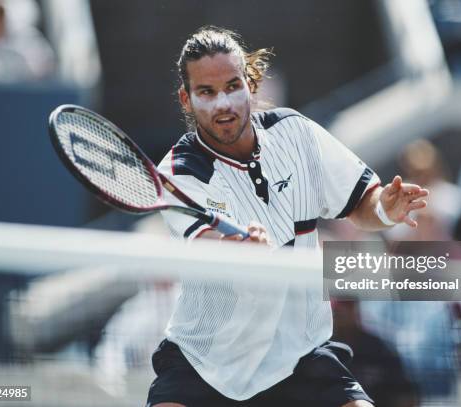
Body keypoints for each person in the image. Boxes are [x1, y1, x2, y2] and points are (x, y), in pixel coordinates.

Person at [147, 26, 429, 407]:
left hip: (300, 355)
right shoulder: (180, 172)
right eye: (207, 93)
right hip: (206, 363)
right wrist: (241, 248)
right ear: (186, 99)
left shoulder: (297, 134)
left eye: (232, 86)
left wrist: (383, 208)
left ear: (251, 84)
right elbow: (210, 245)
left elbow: (361, 203)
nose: (223, 104)